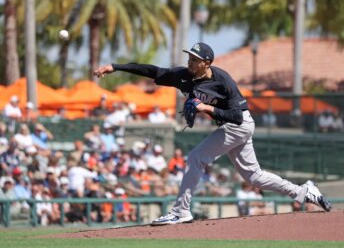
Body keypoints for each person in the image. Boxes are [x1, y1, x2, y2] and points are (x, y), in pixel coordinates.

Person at [93, 42, 331, 225]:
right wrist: (115, 67)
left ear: (206, 63)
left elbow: (237, 116)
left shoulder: (223, 81)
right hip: (230, 127)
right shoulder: (184, 76)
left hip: (239, 124)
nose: (190, 61)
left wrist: (207, 108)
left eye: (195, 59)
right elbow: (151, 70)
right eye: (189, 57)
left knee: (196, 157)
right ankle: (303, 191)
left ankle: (180, 212)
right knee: (254, 178)